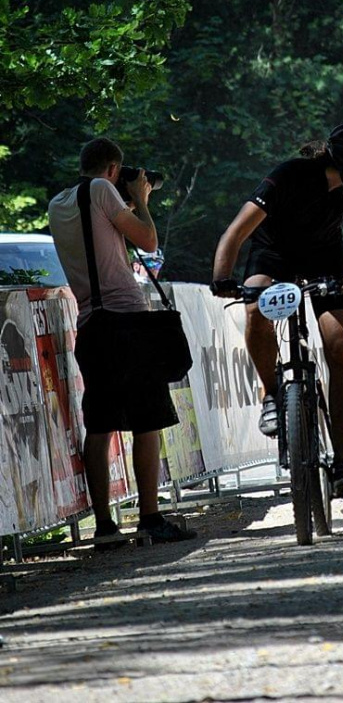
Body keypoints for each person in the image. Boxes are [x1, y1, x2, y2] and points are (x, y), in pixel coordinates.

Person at [210, 120, 343, 499]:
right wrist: (222, 276)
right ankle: (273, 394)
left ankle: (342, 461)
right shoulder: (289, 174)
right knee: (256, 305)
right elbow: (236, 231)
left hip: (323, 257)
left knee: (339, 346)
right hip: (271, 253)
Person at [48, 137, 196, 548]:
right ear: (113, 169)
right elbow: (148, 241)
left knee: (99, 423)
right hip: (126, 321)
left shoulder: (61, 203)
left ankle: (105, 528)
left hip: (91, 325)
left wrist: (122, 202)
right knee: (148, 421)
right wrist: (142, 199)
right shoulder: (101, 190)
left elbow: (99, 234)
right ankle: (150, 518)